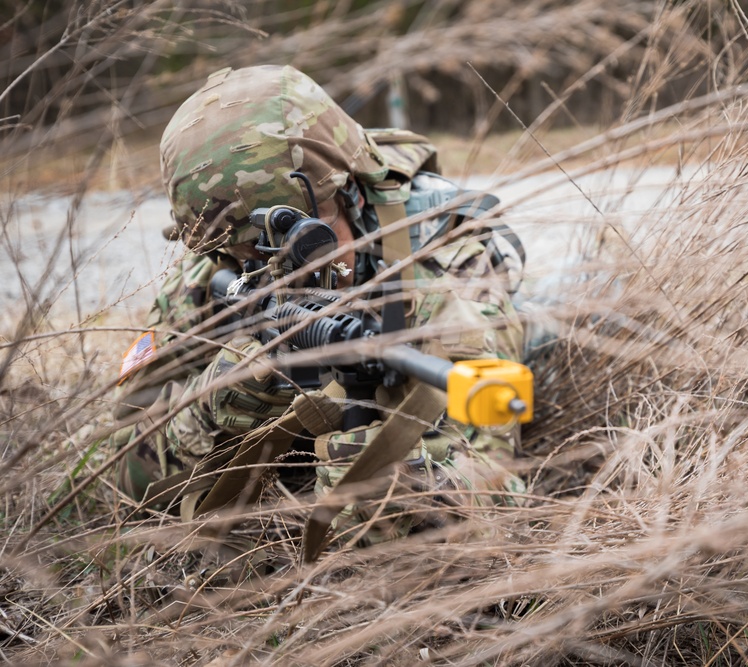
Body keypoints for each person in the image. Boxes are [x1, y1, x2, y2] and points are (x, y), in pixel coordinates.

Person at [109, 65, 526, 548]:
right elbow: (123, 474)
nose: (269, 275)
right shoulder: (215, 273)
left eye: (296, 245)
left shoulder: (445, 264)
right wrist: (210, 406)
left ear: (347, 192)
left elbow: (501, 485)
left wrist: (404, 484)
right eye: (244, 255)